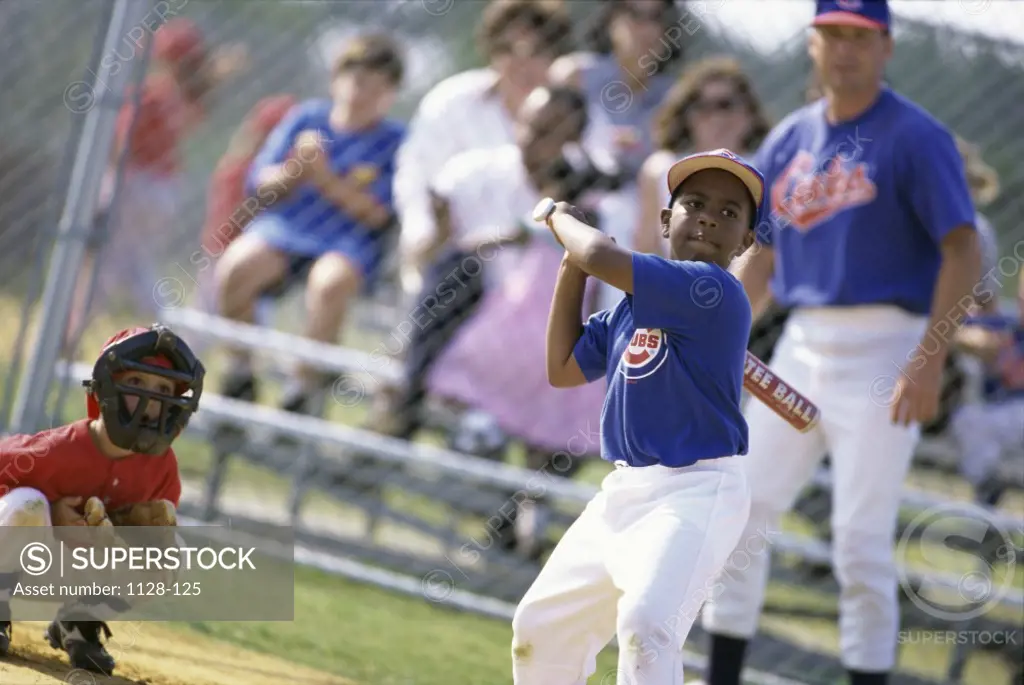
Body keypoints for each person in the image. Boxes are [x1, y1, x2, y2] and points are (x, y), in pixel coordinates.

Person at [698, 4, 982, 685]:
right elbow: (761, 259)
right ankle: (721, 675)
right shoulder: (789, 138)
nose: (845, 50)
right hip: (803, 342)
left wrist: (930, 356)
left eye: (861, 37)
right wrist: (713, 332)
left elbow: (964, 249)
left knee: (859, 541)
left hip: (888, 344)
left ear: (885, 47)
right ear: (812, 44)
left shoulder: (916, 136)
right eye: (833, 35)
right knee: (739, 514)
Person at [511, 149, 764, 683]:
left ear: (744, 242)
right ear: (666, 220)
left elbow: (601, 252)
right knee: (542, 627)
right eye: (694, 204)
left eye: (729, 213)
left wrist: (559, 221)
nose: (709, 218)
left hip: (696, 491)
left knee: (649, 625)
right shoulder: (632, 305)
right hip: (626, 490)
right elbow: (562, 367)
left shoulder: (713, 291)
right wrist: (571, 261)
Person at [214, 33, 405, 416]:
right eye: (354, 77)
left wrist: (323, 177)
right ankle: (240, 372)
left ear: (391, 92)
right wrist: (294, 170)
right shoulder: (306, 118)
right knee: (236, 266)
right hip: (286, 230)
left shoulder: (395, 140)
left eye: (374, 83)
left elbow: (379, 214)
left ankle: (302, 389)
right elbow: (259, 182)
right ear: (336, 79)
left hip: (347, 241)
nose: (360, 90)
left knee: (329, 283)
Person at [0, 324, 204, 675]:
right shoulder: (57, 449)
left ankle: (79, 622)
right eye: (136, 383)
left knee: (173, 551)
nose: (149, 399)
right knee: (27, 504)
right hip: (21, 565)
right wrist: (50, 509)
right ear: (106, 388)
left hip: (78, 574)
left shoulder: (163, 468)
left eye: (163, 388)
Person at [66, 18, 246, 346]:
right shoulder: (189, 98)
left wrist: (102, 191)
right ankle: (170, 329)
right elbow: (199, 84)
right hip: (165, 189)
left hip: (131, 184)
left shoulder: (149, 94)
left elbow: (117, 142)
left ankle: (69, 335)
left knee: (104, 267)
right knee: (134, 266)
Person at [394, 0, 574, 298]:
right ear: (490, 50)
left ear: (556, 54)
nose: (521, 64)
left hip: (539, 267)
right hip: (452, 256)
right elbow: (415, 178)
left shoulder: (575, 114)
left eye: (536, 51)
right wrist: (424, 240)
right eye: (506, 49)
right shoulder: (451, 101)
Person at [635, 55, 771, 256]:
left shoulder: (770, 167)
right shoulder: (660, 169)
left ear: (749, 113)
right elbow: (646, 251)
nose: (715, 118)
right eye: (701, 106)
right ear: (686, 117)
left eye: (725, 105)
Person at [550, 0, 683, 180]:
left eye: (656, 17)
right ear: (611, 19)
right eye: (635, 14)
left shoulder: (677, 98)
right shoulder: (575, 76)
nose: (647, 28)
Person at [195, 93, 298, 314]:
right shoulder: (242, 168)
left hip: (254, 261)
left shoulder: (276, 172)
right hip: (223, 250)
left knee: (251, 318)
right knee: (206, 317)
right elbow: (233, 217)